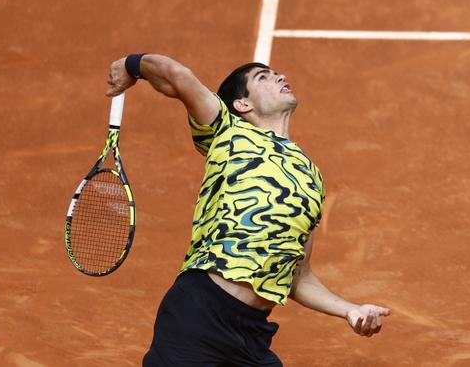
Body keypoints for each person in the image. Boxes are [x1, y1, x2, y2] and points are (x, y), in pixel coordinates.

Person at [105, 53, 390, 366]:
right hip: (199, 315)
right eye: (263, 78)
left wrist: (350, 309)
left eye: (276, 74)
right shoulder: (226, 130)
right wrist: (131, 65)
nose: (279, 76)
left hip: (252, 333)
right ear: (242, 105)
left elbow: (299, 276)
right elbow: (177, 75)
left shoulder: (311, 177)